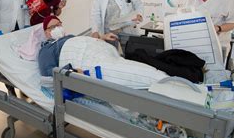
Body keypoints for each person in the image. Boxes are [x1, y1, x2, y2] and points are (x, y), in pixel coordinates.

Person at [38, 16, 167, 89]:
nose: (59, 28)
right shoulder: (46, 50)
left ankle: (166, 82)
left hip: (99, 52)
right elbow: (48, 75)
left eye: (60, 24)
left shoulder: (70, 37)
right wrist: (71, 71)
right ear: (46, 32)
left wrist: (101, 37)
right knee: (127, 73)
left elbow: (85, 42)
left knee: (126, 65)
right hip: (87, 63)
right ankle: (165, 84)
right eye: (54, 27)